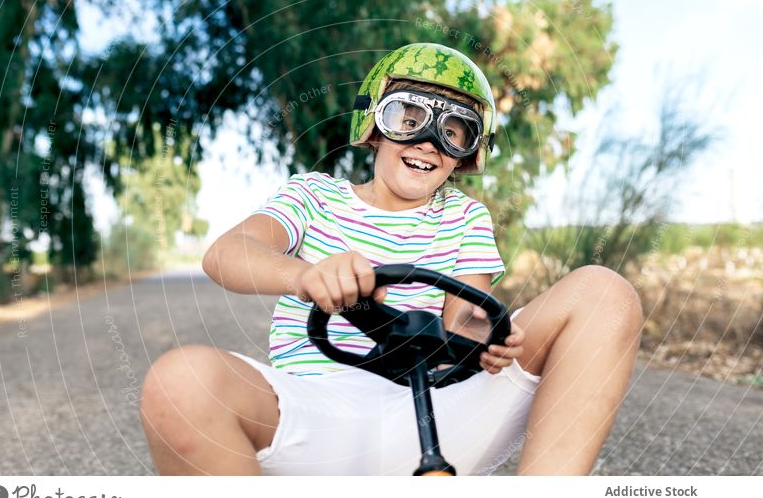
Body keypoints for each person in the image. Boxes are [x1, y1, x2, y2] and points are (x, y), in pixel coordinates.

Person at [140, 43, 643, 475]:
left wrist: (484, 344)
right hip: (318, 413)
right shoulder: (314, 196)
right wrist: (307, 275)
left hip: (437, 407)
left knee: (604, 293)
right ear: (374, 126)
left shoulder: (466, 217)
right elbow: (226, 254)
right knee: (180, 383)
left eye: (454, 131)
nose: (428, 141)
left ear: (466, 154)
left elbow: (466, 318)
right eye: (408, 117)